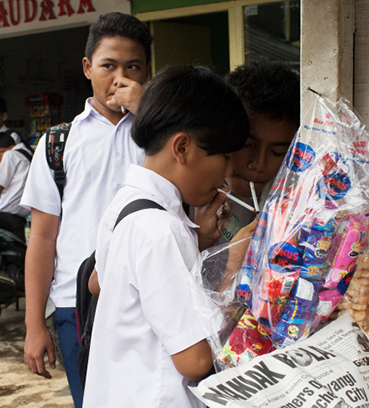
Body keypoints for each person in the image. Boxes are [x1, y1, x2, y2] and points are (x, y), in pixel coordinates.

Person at [83, 65, 249, 408]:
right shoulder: (161, 230)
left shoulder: (125, 202)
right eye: (225, 156)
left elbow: (99, 282)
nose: (229, 171)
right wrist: (233, 263)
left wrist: (197, 244)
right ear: (183, 148)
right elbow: (196, 361)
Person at [21, 12, 152, 408]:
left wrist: (149, 112)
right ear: (87, 67)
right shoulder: (58, 143)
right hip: (76, 305)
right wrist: (33, 325)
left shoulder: (163, 136)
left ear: (147, 71)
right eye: (108, 65)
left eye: (133, 67)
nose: (120, 77)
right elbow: (43, 237)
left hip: (150, 296)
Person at [194, 58, 300, 248]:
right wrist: (198, 242)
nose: (259, 164)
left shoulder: (292, 202)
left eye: (277, 152)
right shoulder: (188, 196)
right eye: (247, 144)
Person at [0, 131, 31, 241]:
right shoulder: (29, 155)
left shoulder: (10, 154)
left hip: (2, 213)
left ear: (0, 151)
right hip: (20, 216)